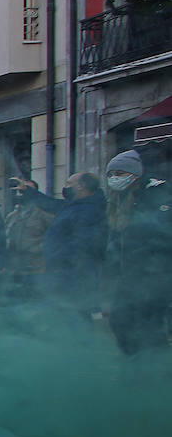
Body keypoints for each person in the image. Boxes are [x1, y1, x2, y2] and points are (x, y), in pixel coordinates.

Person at [103, 150, 172, 354]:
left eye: (120, 173)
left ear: (135, 174)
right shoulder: (119, 199)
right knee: (120, 320)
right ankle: (135, 366)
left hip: (155, 274)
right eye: (111, 174)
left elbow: (161, 233)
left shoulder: (158, 194)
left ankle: (154, 372)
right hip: (131, 274)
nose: (114, 178)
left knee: (149, 325)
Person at [42, 172, 106, 316]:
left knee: (75, 317)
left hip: (75, 276)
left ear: (81, 186)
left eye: (69, 184)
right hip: (65, 273)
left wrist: (58, 259)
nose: (66, 187)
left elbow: (82, 243)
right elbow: (48, 203)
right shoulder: (73, 206)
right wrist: (27, 192)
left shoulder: (89, 210)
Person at [4, 178, 56, 298]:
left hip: (36, 270)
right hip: (15, 270)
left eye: (26, 190)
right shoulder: (12, 216)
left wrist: (37, 249)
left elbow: (54, 239)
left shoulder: (45, 214)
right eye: (20, 190)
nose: (22, 193)